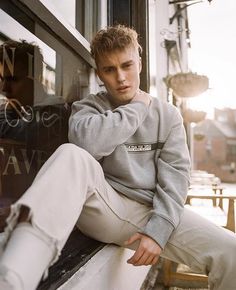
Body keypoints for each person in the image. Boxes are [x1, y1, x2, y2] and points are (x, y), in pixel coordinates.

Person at [0, 25, 235, 290]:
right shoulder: (88, 106)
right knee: (71, 153)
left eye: (127, 65)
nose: (121, 77)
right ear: (99, 73)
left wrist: (158, 232)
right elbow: (88, 144)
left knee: (231, 252)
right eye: (109, 70)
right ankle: (12, 278)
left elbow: (176, 178)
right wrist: (137, 107)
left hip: (150, 211)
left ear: (140, 64)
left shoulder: (168, 115)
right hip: (105, 205)